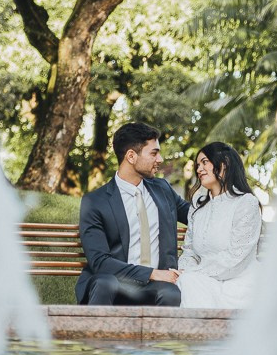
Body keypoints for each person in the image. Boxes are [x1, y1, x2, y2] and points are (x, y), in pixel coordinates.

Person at [76, 122, 191, 306]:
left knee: (171, 293)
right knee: (104, 283)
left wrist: (217, 185)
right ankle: (96, 335)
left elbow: (196, 216)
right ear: (131, 156)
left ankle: (159, 336)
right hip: (114, 282)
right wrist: (152, 273)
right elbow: (100, 262)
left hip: (157, 287)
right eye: (154, 153)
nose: (160, 159)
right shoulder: (95, 201)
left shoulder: (163, 190)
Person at [177, 142, 262, 308]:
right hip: (202, 282)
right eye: (197, 165)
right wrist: (188, 272)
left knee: (192, 283)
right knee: (188, 282)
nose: (199, 169)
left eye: (205, 162)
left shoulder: (245, 203)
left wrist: (196, 273)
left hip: (240, 285)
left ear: (224, 164)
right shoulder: (197, 207)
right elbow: (189, 253)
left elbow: (237, 256)